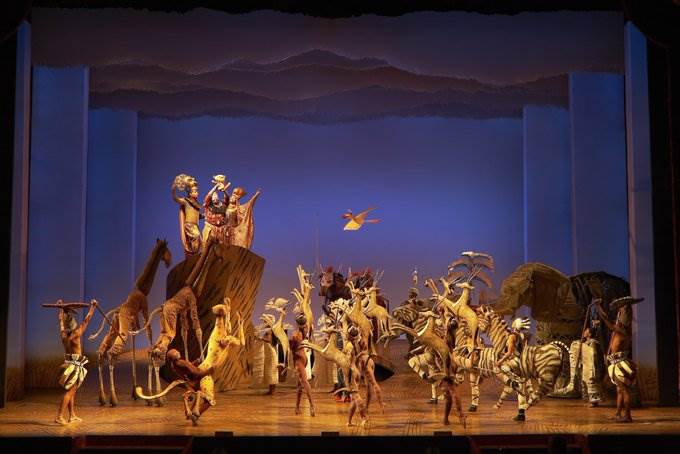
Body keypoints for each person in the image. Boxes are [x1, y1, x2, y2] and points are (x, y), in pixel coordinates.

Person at [595, 296, 642, 422]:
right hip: (616, 363)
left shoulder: (621, 331)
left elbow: (606, 321)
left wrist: (598, 307)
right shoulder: (620, 330)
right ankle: (618, 413)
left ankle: (628, 416)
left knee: (624, 390)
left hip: (620, 365)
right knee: (619, 391)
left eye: (621, 312)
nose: (618, 314)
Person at [55, 299, 98, 425]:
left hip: (69, 364)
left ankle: (72, 415)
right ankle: (59, 416)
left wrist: (61, 309)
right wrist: (93, 307)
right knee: (70, 392)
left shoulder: (63, 335)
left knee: (72, 392)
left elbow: (61, 322)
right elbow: (86, 320)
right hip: (74, 366)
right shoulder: (77, 334)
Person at [495, 317, 531, 421]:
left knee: (499, 368)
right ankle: (521, 413)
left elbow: (509, 353)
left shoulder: (512, 336)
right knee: (521, 390)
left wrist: (500, 361)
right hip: (522, 363)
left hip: (515, 362)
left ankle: (512, 382)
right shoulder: (523, 335)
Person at [290, 314, 315, 416]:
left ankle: (312, 406)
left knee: (304, 382)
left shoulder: (296, 335)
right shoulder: (306, 330)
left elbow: (292, 349)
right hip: (303, 358)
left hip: (299, 360)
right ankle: (297, 408)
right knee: (299, 385)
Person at [172, 176, 203, 257]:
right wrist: (174, 189)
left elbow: (197, 216)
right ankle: (194, 255)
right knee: (196, 236)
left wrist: (203, 216)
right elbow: (176, 198)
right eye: (195, 191)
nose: (197, 193)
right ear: (190, 193)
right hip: (189, 225)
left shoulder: (197, 204)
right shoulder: (186, 201)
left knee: (201, 241)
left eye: (197, 191)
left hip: (195, 226)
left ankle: (195, 255)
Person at [202, 175, 230, 245]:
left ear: (218, 197)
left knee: (223, 247)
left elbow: (227, 199)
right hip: (211, 228)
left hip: (222, 230)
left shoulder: (223, 205)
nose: (214, 198)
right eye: (213, 197)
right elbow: (208, 197)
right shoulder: (208, 205)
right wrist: (216, 186)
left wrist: (224, 190)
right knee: (207, 245)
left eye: (216, 196)